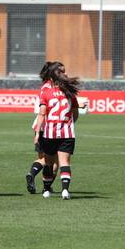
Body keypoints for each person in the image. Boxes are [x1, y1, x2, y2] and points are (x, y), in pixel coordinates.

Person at [33, 62, 80, 199]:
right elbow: (75, 113)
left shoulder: (46, 91)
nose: (66, 74)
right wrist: (70, 123)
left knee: (48, 162)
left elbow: (42, 114)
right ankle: (65, 190)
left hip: (49, 133)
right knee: (64, 162)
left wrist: (37, 134)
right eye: (63, 72)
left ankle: (46, 190)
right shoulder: (70, 91)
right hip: (67, 133)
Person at [26, 61, 54, 194]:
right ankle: (46, 187)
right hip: (50, 127)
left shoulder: (43, 87)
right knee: (52, 161)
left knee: (42, 158)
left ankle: (33, 174)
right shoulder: (53, 88)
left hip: (39, 126)